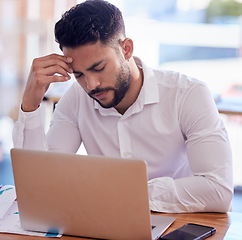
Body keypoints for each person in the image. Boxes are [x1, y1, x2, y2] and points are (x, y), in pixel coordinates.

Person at [13, 0, 233, 213]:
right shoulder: (78, 97)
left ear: (126, 49)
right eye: (79, 74)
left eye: (99, 67)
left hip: (175, 224)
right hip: (105, 222)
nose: (91, 85)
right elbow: (40, 183)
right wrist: (30, 105)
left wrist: (124, 194)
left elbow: (218, 189)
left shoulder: (188, 94)